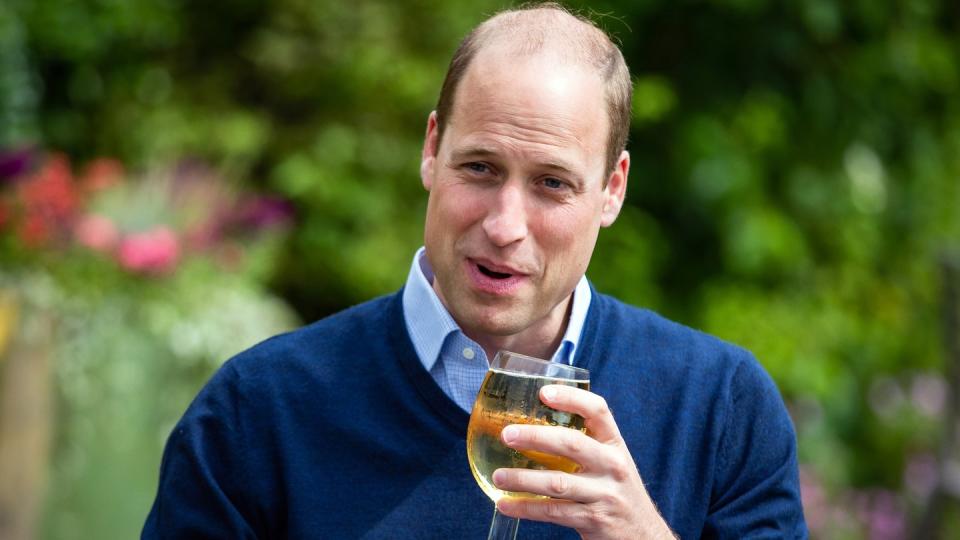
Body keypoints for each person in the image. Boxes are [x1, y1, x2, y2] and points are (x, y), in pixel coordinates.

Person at [143, 4, 807, 539]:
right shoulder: (258, 412)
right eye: (481, 168)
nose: (504, 224)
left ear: (612, 189)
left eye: (552, 184)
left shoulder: (723, 409)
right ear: (432, 149)